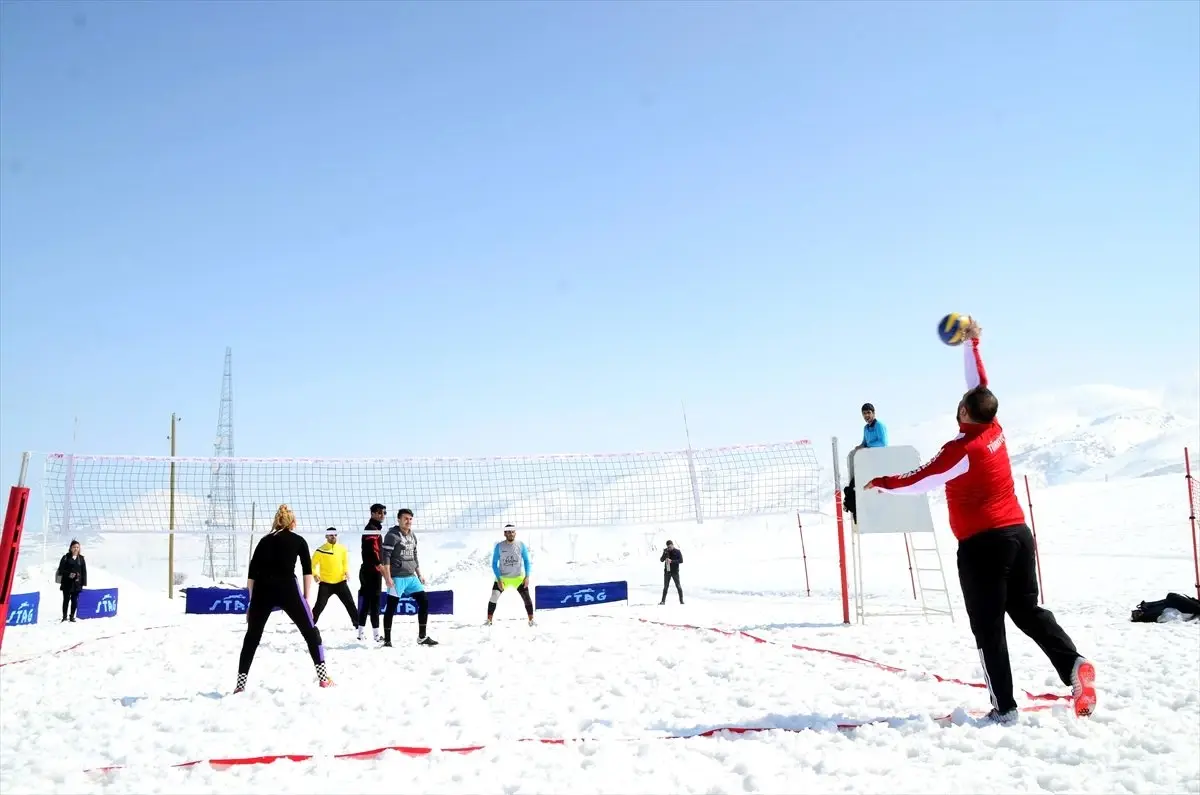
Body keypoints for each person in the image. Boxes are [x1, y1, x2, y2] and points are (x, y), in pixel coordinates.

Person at [863, 320, 1096, 723]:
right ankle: (1074, 665)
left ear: (965, 412)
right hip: (1019, 536)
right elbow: (980, 384)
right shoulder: (993, 425)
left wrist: (879, 483)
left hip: (984, 546)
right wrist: (973, 343)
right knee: (1026, 610)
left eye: (962, 403)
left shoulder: (963, 448)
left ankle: (1003, 708)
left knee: (988, 627)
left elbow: (919, 480)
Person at [234, 504, 332, 693]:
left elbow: (251, 575)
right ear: (293, 523)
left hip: (262, 591)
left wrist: (251, 603)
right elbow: (307, 572)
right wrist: (305, 598)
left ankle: (240, 685)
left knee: (252, 637)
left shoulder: (263, 541)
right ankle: (323, 679)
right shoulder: (299, 540)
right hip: (287, 589)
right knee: (311, 632)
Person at [380, 508, 439, 647]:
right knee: (391, 608)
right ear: (399, 520)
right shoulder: (392, 535)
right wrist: (387, 577)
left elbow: (414, 556)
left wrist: (419, 574)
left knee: (424, 601)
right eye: (405, 518)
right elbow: (385, 558)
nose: (408, 521)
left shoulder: (412, 535)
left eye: (410, 519)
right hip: (397, 578)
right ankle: (387, 640)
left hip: (411, 577)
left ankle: (422, 637)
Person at [844, 403, 889, 522]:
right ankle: (852, 509)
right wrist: (860, 447)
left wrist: (867, 446)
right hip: (868, 461)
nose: (866, 415)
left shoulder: (879, 425)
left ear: (873, 413)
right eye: (864, 414)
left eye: (869, 413)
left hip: (879, 461)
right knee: (854, 484)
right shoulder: (866, 428)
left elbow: (883, 443)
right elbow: (864, 442)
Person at [311, 527, 359, 631]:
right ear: (326, 536)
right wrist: (315, 574)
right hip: (325, 584)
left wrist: (346, 571)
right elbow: (313, 564)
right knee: (319, 606)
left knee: (350, 604)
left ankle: (358, 625)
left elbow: (344, 562)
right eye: (331, 535)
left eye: (335, 535)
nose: (334, 537)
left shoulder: (342, 549)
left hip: (340, 582)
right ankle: (310, 624)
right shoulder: (320, 550)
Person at [486, 524, 535, 626]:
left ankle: (531, 620)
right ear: (504, 533)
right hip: (503, 578)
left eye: (512, 531)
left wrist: (527, 576)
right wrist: (499, 580)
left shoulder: (521, 545)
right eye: (508, 532)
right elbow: (494, 564)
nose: (511, 534)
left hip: (518, 577)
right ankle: (489, 621)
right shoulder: (499, 546)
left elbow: (526, 561)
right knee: (494, 597)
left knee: (527, 598)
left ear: (515, 533)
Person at [356, 503, 386, 642]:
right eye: (379, 512)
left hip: (369, 570)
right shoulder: (371, 529)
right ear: (373, 513)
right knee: (373, 603)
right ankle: (375, 635)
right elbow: (373, 551)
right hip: (372, 571)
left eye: (384, 513)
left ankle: (361, 633)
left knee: (368, 602)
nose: (382, 515)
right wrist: (380, 565)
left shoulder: (374, 529)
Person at [55, 539, 87, 622]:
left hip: (77, 584)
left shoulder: (81, 559)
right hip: (66, 583)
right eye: (74, 547)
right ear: (70, 548)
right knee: (66, 600)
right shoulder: (65, 557)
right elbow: (61, 570)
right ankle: (64, 616)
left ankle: (72, 616)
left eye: (77, 547)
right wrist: (69, 574)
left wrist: (83, 583)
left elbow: (84, 572)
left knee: (74, 600)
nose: (76, 549)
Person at [659, 539, 683, 605]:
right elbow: (661, 560)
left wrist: (672, 561)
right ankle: (663, 601)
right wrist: (664, 554)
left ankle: (681, 601)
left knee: (678, 586)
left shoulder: (677, 551)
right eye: (668, 547)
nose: (669, 548)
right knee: (665, 587)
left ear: (672, 545)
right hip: (667, 572)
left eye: (670, 546)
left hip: (675, 572)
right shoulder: (666, 551)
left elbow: (681, 560)